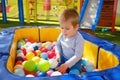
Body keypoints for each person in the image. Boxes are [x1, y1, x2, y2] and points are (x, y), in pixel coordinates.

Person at [55, 8, 84, 74]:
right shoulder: (62, 35)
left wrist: (67, 64)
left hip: (75, 62)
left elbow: (78, 55)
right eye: (62, 28)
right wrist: (58, 53)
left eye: (67, 29)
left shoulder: (79, 39)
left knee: (74, 73)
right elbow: (58, 45)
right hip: (63, 58)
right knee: (55, 68)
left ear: (76, 27)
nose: (64, 31)